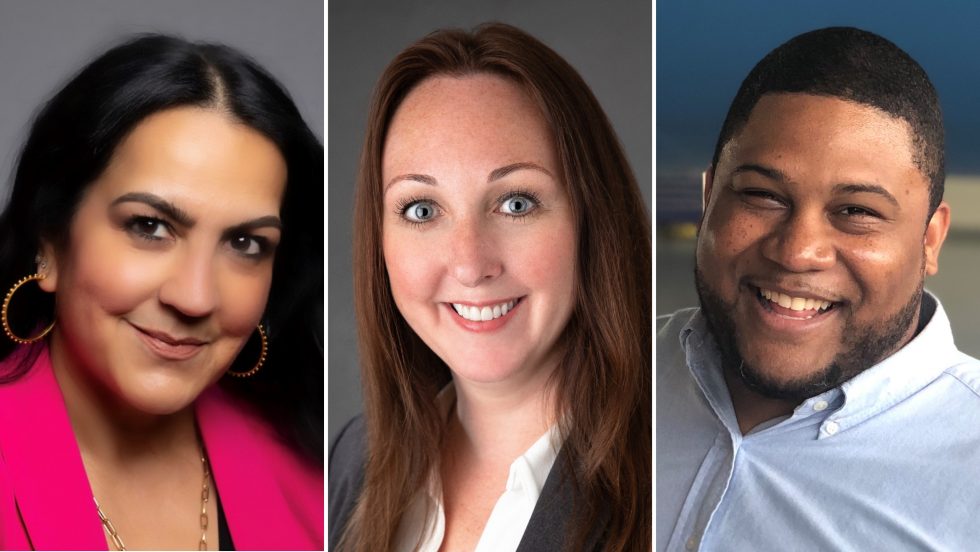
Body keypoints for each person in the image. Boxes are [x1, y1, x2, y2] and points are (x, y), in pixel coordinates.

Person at [329, 23, 651, 552]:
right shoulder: (350, 459)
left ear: (593, 220)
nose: (470, 264)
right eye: (422, 210)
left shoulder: (667, 481)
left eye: (516, 203)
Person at [657, 26, 980, 550]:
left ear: (930, 241)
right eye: (762, 195)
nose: (797, 252)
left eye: (857, 211)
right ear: (707, 198)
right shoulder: (603, 371)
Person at [0, 34, 324, 549]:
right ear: (51, 242)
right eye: (149, 226)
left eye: (245, 243)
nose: (195, 298)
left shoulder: (316, 479)